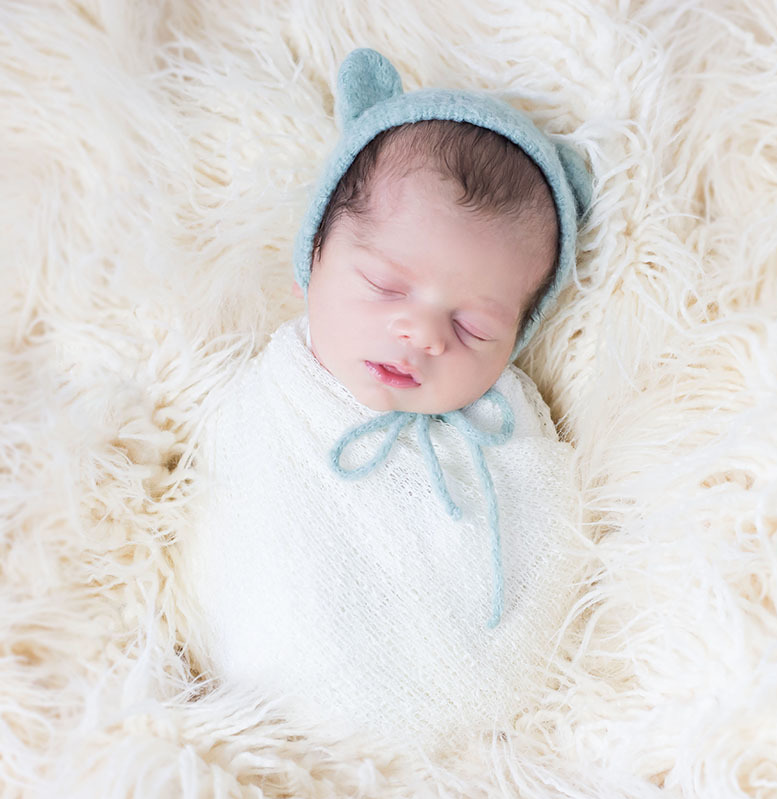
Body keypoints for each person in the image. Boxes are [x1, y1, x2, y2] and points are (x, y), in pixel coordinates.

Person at [172, 47, 592, 752]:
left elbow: (547, 545)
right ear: (314, 258)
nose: (422, 333)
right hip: (249, 729)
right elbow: (226, 510)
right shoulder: (271, 395)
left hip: (447, 754)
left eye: (472, 326)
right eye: (386, 287)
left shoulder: (503, 425)